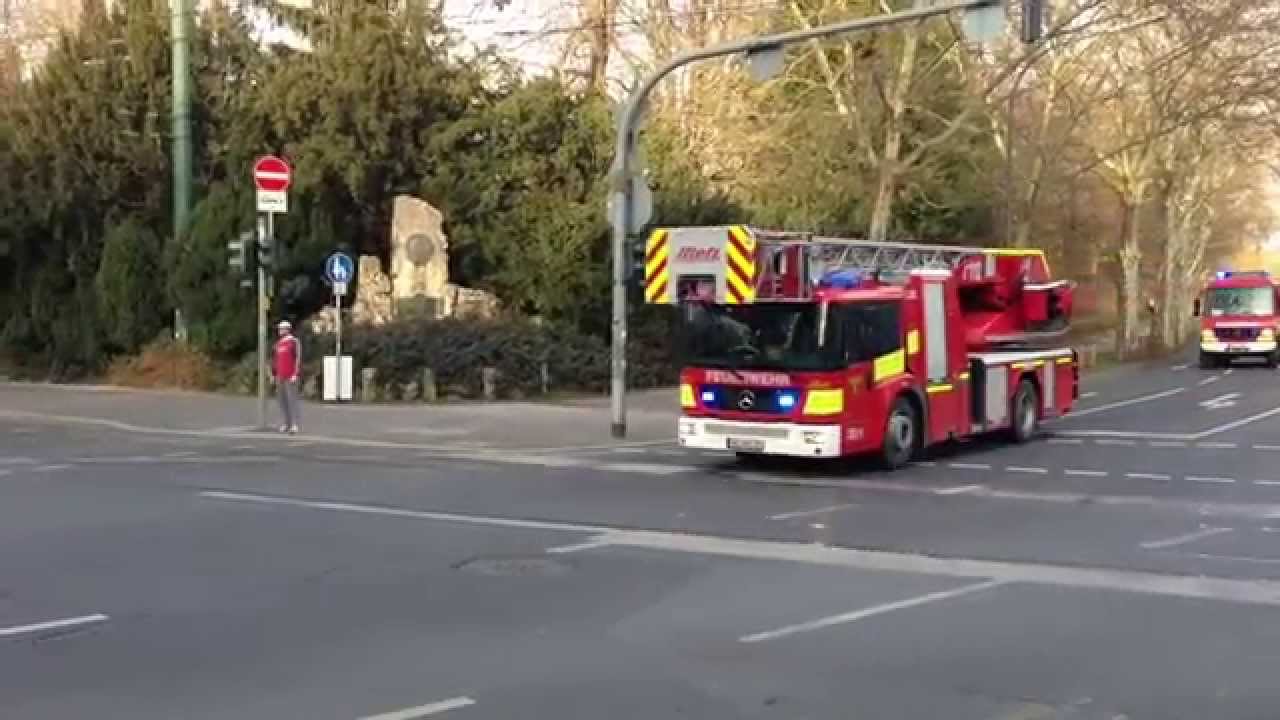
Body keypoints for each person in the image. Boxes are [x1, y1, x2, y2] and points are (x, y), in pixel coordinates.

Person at [273, 320, 301, 434]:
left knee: (292, 400)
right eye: (279, 329)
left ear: (287, 329)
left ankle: (294, 424)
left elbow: (297, 358)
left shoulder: (294, 341)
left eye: (281, 329)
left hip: (290, 375)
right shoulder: (278, 344)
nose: (280, 331)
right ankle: (286, 423)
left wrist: (295, 373)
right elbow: (276, 360)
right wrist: (274, 374)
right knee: (282, 400)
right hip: (280, 375)